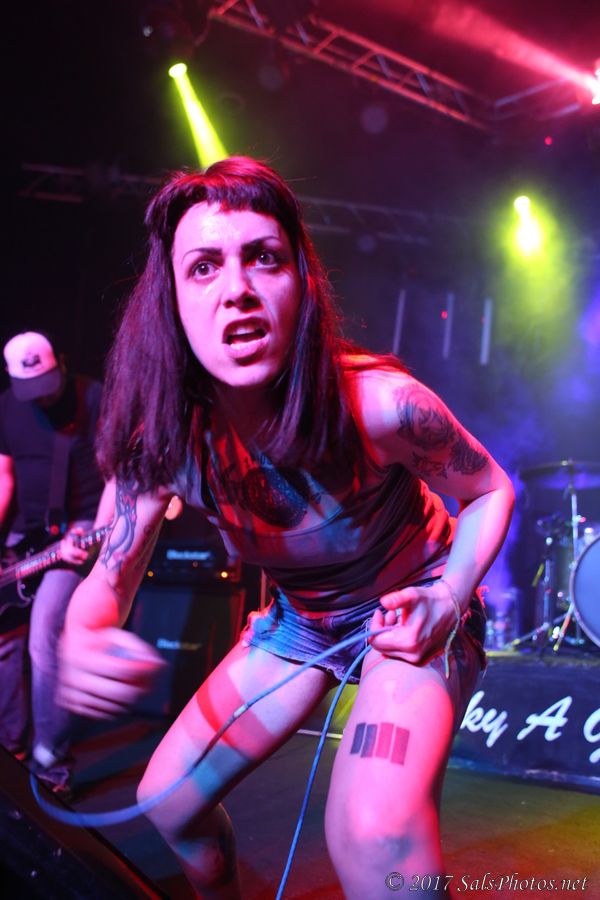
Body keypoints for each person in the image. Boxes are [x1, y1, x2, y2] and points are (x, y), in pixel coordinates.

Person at [57, 157, 514, 898]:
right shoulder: (164, 439)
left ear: (300, 279)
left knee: (374, 834)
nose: (236, 288)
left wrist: (449, 596)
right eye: (203, 267)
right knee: (169, 803)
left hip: (414, 603)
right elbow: (108, 576)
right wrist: (84, 631)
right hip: (300, 623)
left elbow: (490, 490)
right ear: (171, 299)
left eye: (263, 258)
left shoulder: (381, 404)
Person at [0, 331, 113, 799]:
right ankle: (10, 748)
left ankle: (53, 767)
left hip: (78, 530)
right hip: (24, 535)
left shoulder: (94, 398)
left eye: (47, 384)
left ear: (60, 363)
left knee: (44, 633)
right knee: (4, 639)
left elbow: (117, 477)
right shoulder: (7, 407)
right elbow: (3, 476)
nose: (42, 398)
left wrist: (98, 535)